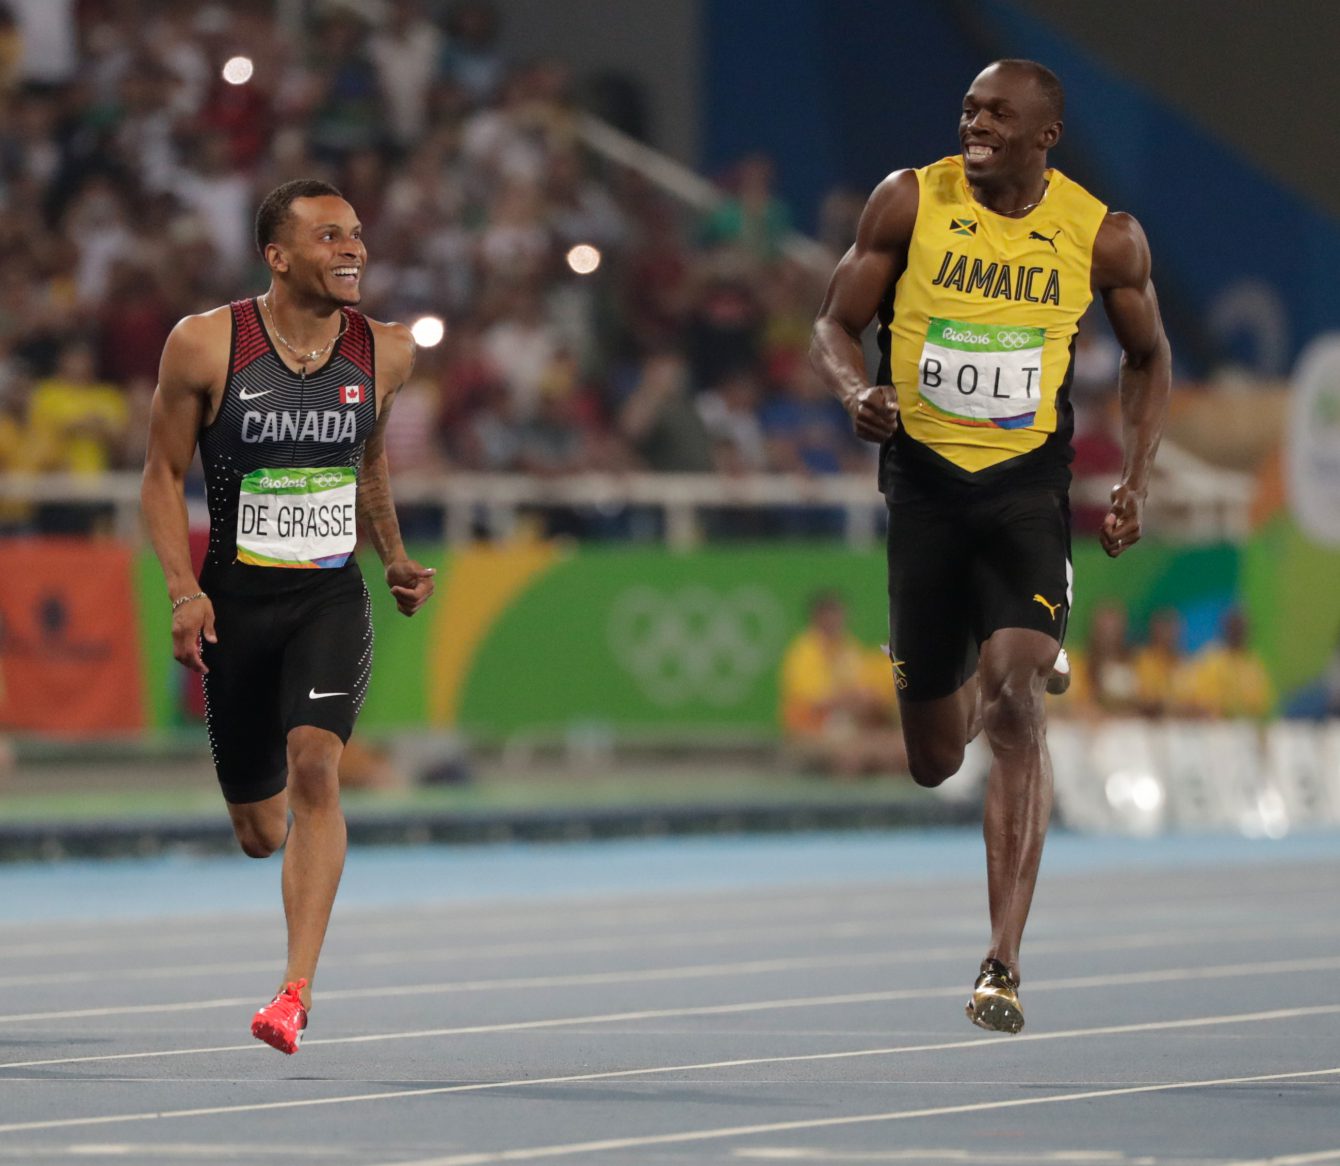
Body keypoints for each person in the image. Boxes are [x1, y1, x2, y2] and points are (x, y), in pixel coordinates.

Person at [810, 60, 1170, 1033]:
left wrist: (1134, 475)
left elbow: (1146, 354)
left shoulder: (1101, 236)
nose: (973, 123)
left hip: (1023, 493)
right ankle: (978, 664)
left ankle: (1000, 960)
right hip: (923, 492)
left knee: (1016, 701)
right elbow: (834, 322)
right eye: (967, 107)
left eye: (996, 115)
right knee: (933, 756)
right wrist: (856, 393)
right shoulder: (907, 201)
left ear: (1042, 136)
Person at [140, 179, 436, 1054]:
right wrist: (182, 592)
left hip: (326, 597)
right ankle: (262, 828)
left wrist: (394, 557)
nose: (353, 250)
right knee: (259, 831)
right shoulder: (205, 344)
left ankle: (293, 992)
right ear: (277, 255)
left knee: (317, 767)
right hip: (234, 605)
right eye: (329, 237)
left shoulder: (386, 351)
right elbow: (159, 476)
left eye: (357, 234)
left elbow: (369, 461)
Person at [779, 590, 907, 778]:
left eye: (838, 614)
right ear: (817, 618)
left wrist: (867, 701)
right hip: (810, 732)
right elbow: (814, 702)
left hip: (852, 729)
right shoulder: (803, 652)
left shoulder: (849, 648)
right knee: (851, 755)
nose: (835, 621)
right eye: (830, 615)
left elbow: (868, 694)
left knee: (900, 749)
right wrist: (849, 698)